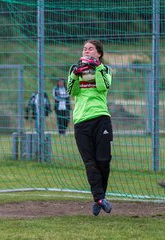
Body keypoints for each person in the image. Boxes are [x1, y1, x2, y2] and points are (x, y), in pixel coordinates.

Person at [67, 39, 113, 216]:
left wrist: (97, 67)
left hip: (101, 118)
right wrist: (75, 74)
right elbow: (72, 92)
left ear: (99, 53)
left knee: (104, 160)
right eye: (85, 49)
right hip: (81, 121)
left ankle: (99, 198)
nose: (87, 51)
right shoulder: (75, 69)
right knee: (90, 161)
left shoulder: (105, 69)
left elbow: (103, 87)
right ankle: (100, 198)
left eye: (91, 49)